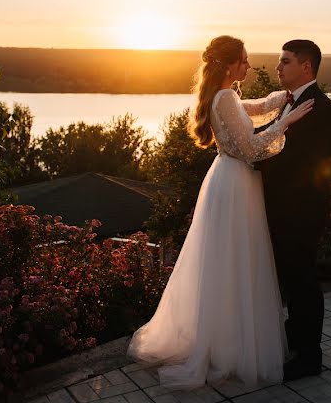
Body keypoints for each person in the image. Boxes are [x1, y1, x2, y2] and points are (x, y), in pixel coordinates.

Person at [127, 35, 313, 389]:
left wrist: (281, 101)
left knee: (226, 263)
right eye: (243, 61)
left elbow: (253, 108)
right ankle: (232, 346)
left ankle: (227, 338)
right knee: (235, 261)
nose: (247, 66)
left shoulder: (225, 96)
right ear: (229, 65)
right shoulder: (226, 97)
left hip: (226, 180)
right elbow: (251, 148)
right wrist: (285, 123)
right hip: (235, 182)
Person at [256, 39, 331, 381]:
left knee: (304, 281)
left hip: (302, 211)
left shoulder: (319, 107)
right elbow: (273, 139)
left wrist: (251, 162)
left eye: (285, 61)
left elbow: (298, 161)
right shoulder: (292, 102)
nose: (279, 67)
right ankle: (295, 336)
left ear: (306, 67)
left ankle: (310, 357)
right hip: (285, 209)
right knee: (291, 278)